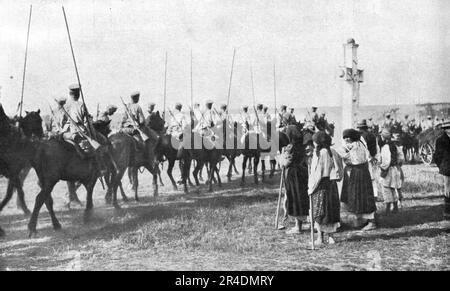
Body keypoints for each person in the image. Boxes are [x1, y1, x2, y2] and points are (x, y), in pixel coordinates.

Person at [339, 128, 377, 231]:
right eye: (345, 137)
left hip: (359, 173)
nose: (346, 139)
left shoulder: (357, 146)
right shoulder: (355, 145)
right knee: (356, 196)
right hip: (357, 172)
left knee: (363, 196)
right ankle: (358, 221)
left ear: (353, 137)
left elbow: (355, 161)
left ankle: (371, 222)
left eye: (348, 137)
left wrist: (346, 158)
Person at [308, 131, 342, 245]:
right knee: (330, 210)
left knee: (319, 211)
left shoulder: (320, 154)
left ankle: (320, 238)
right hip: (332, 185)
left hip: (321, 185)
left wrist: (311, 188)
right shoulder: (333, 151)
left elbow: (317, 173)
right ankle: (331, 237)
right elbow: (339, 168)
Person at [278, 124, 309, 234]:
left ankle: (298, 227)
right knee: (300, 197)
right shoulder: (302, 145)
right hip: (302, 173)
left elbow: (285, 163)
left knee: (295, 198)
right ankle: (300, 223)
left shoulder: (290, 147)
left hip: (293, 174)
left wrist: (281, 157)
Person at [379, 129, 404, 214]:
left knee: (386, 187)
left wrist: (382, 167)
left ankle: (388, 208)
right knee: (393, 187)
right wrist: (398, 165)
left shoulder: (385, 147)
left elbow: (386, 161)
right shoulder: (395, 146)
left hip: (388, 170)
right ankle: (395, 207)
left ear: (384, 138)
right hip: (395, 169)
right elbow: (401, 158)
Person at [357, 119, 380, 200]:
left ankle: (367, 195)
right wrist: (375, 157)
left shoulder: (360, 137)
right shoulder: (373, 135)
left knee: (366, 178)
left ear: (360, 128)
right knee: (373, 178)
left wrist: (369, 158)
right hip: (374, 159)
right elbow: (377, 148)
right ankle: (375, 195)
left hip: (366, 160)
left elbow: (364, 149)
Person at [432, 121, 450, 219]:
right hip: (447, 168)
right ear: (445, 129)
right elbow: (437, 156)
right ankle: (447, 212)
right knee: (448, 190)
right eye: (448, 128)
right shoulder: (440, 140)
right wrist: (442, 166)